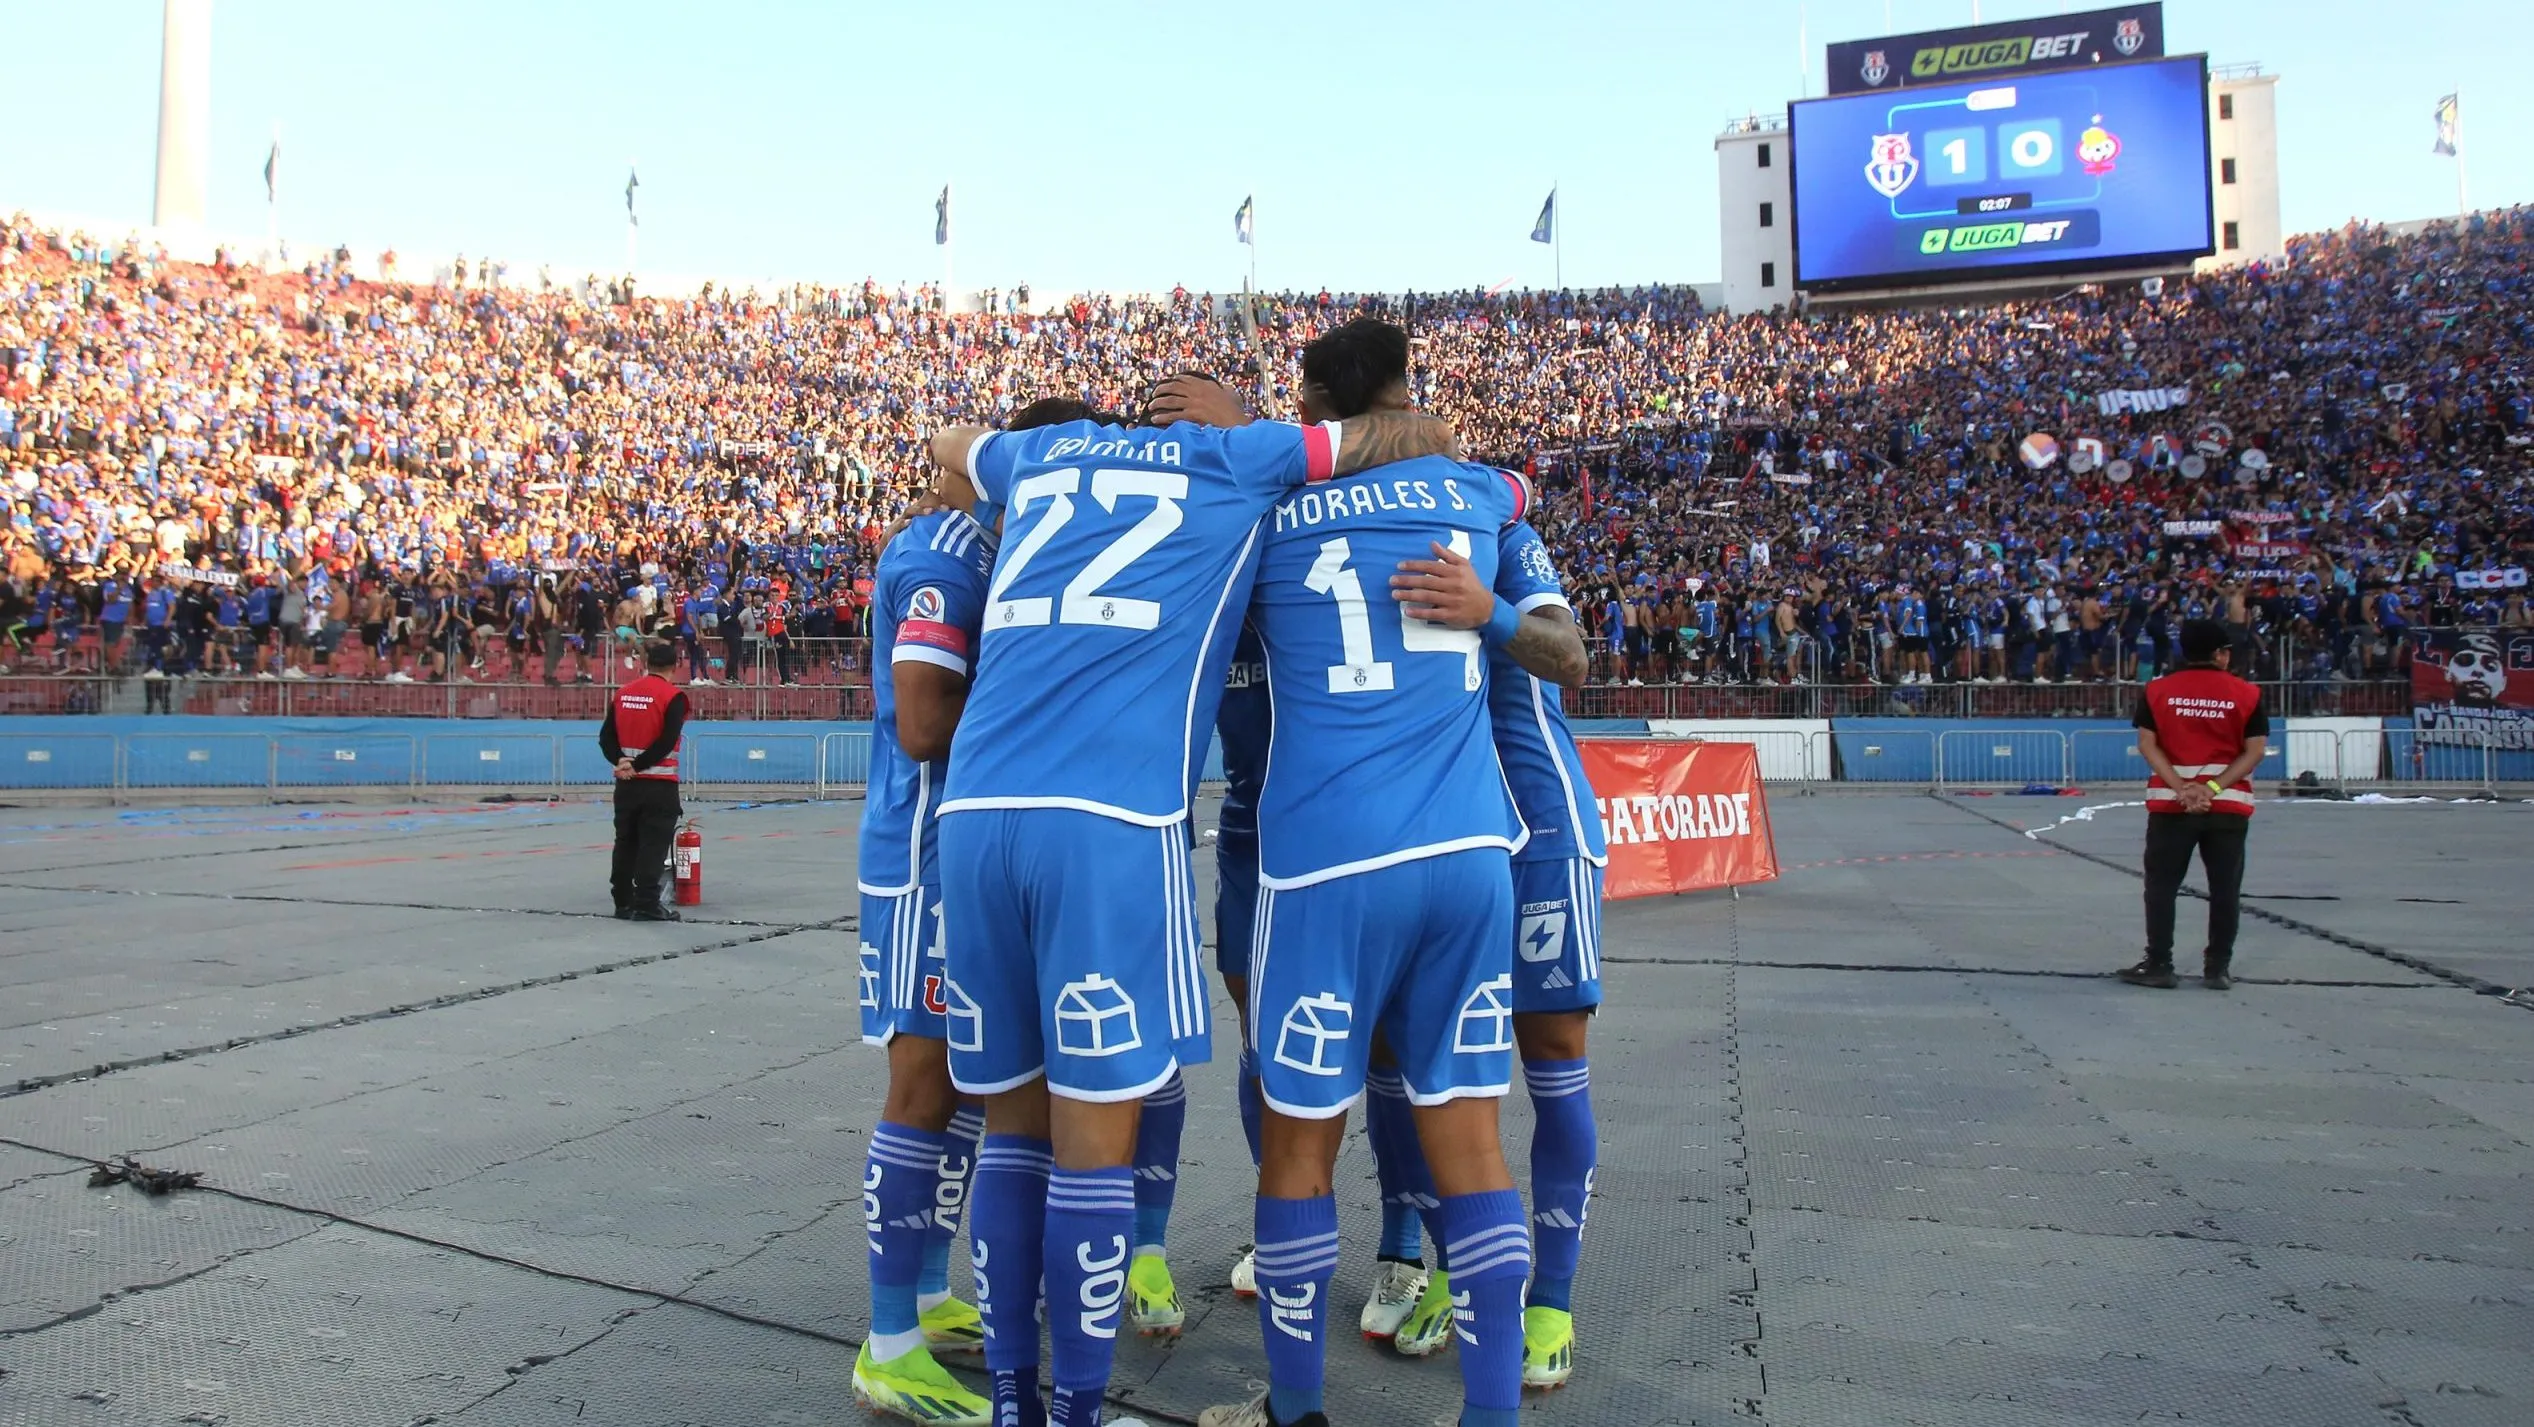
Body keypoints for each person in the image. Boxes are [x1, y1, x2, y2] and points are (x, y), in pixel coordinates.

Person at [923, 389, 1457, 1427]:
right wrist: (1246, 424)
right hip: (1106, 821)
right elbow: (1417, 434)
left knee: (1008, 1133)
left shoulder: (1032, 456)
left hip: (977, 811)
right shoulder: (1234, 457)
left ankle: (1010, 1406)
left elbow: (949, 444)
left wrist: (997, 463)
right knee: (1090, 1141)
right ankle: (1076, 1409)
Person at [1166, 323, 1555, 1427]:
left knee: (1297, 1148)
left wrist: (1246, 431)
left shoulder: (1269, 508)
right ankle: (1489, 1415)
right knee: (1473, 1138)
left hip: (1325, 858)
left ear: (1312, 409)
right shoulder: (1479, 491)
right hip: (1469, 851)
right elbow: (1468, 459)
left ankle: (1294, 1412)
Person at [851, 458, 1008, 1426]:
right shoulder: (942, 557)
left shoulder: (971, 549)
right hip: (922, 854)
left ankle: (921, 1293)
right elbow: (919, 725)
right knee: (921, 1085)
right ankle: (887, 1343)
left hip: (959, 847)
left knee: (959, 1090)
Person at [2120, 618, 2268, 991]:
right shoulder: (2247, 693)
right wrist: (2213, 786)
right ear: (2220, 654)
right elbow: (2254, 751)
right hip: (2228, 806)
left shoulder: (2158, 691)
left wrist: (2183, 788)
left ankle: (2159, 963)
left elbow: (2147, 744)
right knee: (2224, 889)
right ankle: (2217, 967)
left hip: (2172, 807)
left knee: (2161, 886)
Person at [597, 641, 688, 921]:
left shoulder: (623, 694)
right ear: (676, 665)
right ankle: (647, 902)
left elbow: (605, 738)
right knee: (653, 843)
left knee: (625, 841)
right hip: (659, 785)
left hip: (626, 785)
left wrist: (623, 764)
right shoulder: (674, 697)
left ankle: (622, 901)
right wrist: (637, 765)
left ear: (646, 663)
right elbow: (666, 742)